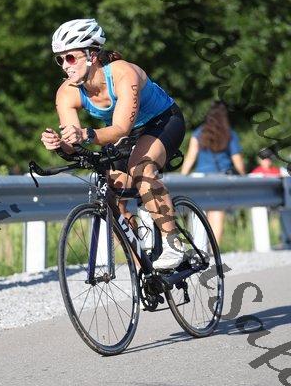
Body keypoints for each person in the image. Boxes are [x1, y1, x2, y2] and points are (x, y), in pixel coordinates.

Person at [41, 18, 186, 270]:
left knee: (141, 170)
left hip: (161, 121)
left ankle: (172, 241)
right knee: (111, 192)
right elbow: (73, 144)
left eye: (71, 58)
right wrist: (59, 144)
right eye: (60, 60)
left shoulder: (123, 73)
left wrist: (85, 134)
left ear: (92, 55)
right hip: (122, 135)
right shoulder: (67, 92)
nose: (65, 66)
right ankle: (144, 265)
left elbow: (121, 129)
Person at [181, 101, 245, 246]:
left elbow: (191, 157)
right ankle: (213, 249)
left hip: (200, 178)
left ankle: (201, 249)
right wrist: (243, 177)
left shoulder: (198, 133)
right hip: (220, 179)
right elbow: (237, 160)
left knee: (199, 215)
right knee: (217, 213)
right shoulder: (230, 135)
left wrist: (183, 177)